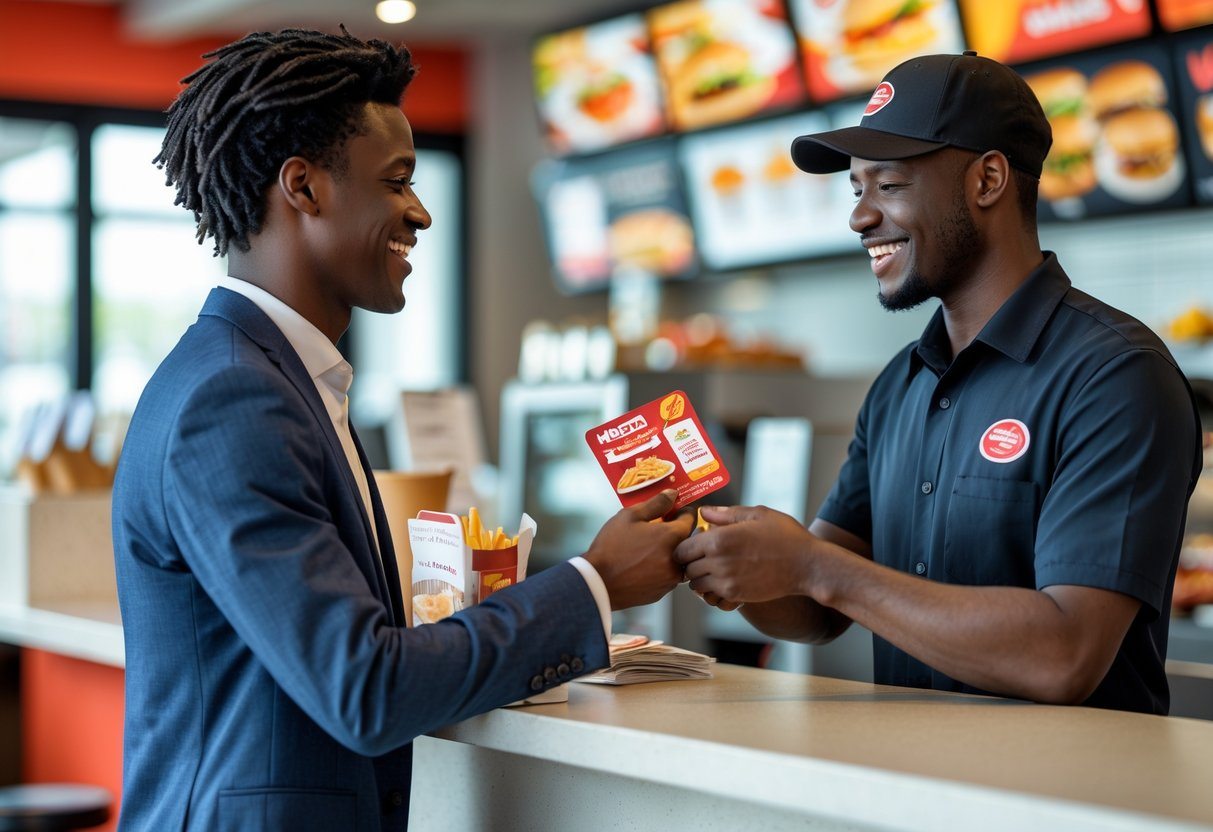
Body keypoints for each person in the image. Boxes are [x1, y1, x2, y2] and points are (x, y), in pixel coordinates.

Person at [111, 28, 691, 831]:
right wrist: (594, 583)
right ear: (303, 188)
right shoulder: (238, 398)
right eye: (396, 181)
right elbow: (364, 689)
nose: (419, 213)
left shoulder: (273, 377)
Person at [675, 51, 1203, 715]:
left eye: (888, 186)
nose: (859, 218)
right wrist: (717, 549)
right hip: (914, 794)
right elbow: (814, 610)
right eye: (856, 189)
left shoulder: (1114, 376)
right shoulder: (899, 386)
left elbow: (1064, 654)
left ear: (985, 181)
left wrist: (813, 566)